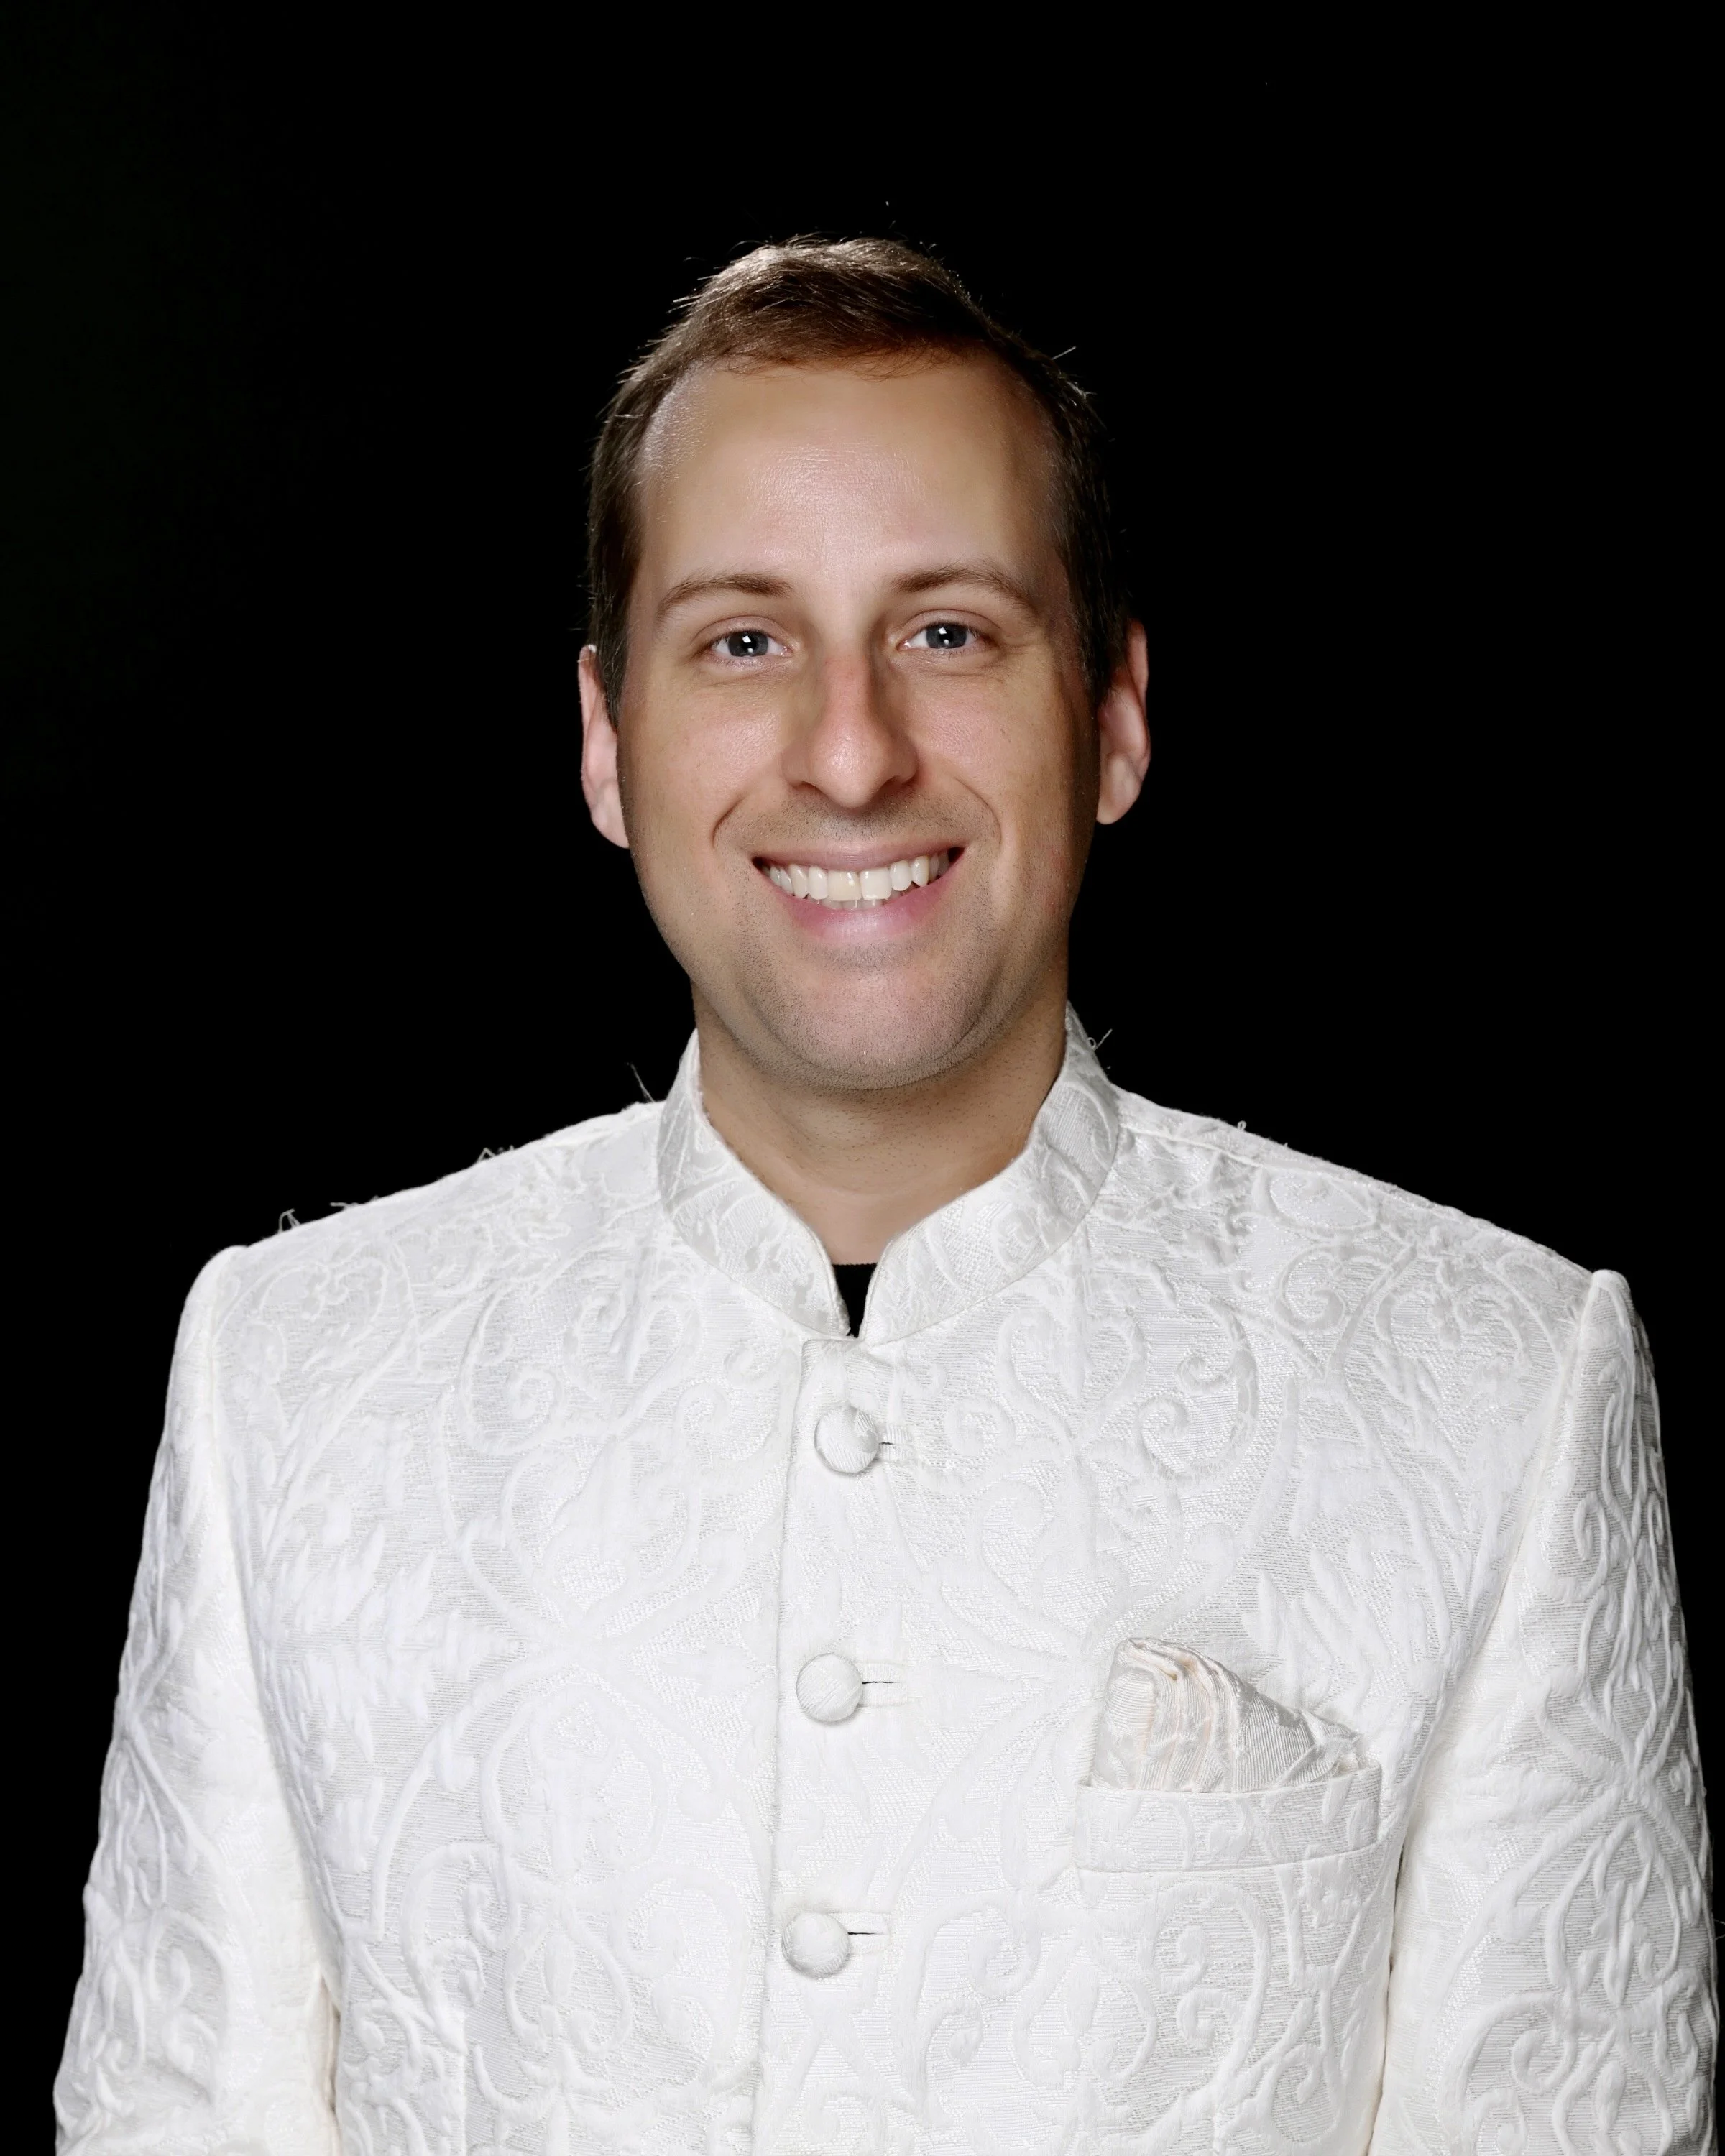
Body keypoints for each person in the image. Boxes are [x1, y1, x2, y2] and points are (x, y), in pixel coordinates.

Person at [57, 238, 1714, 2154]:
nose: (851, 755)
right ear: (608, 743)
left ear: (1114, 714)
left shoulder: (1502, 1383)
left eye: (949, 634)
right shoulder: (289, 1371)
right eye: (743, 643)